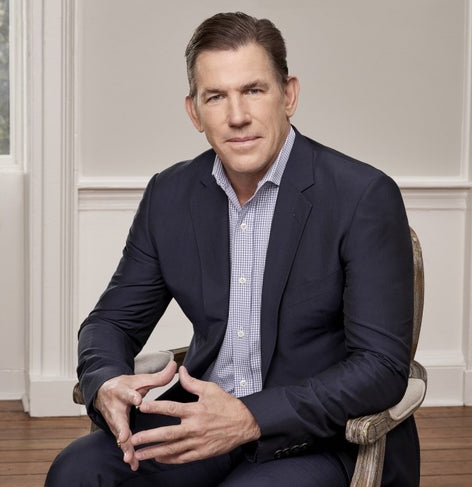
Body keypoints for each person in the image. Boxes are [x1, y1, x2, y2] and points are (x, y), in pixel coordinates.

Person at [45, 11, 419, 487]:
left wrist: (250, 417)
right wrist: (106, 382)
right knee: (76, 471)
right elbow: (111, 322)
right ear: (194, 112)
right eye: (216, 96)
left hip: (319, 437)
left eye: (254, 90)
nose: (237, 116)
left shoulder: (362, 195)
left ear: (289, 95)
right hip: (200, 420)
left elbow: (381, 367)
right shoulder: (170, 195)